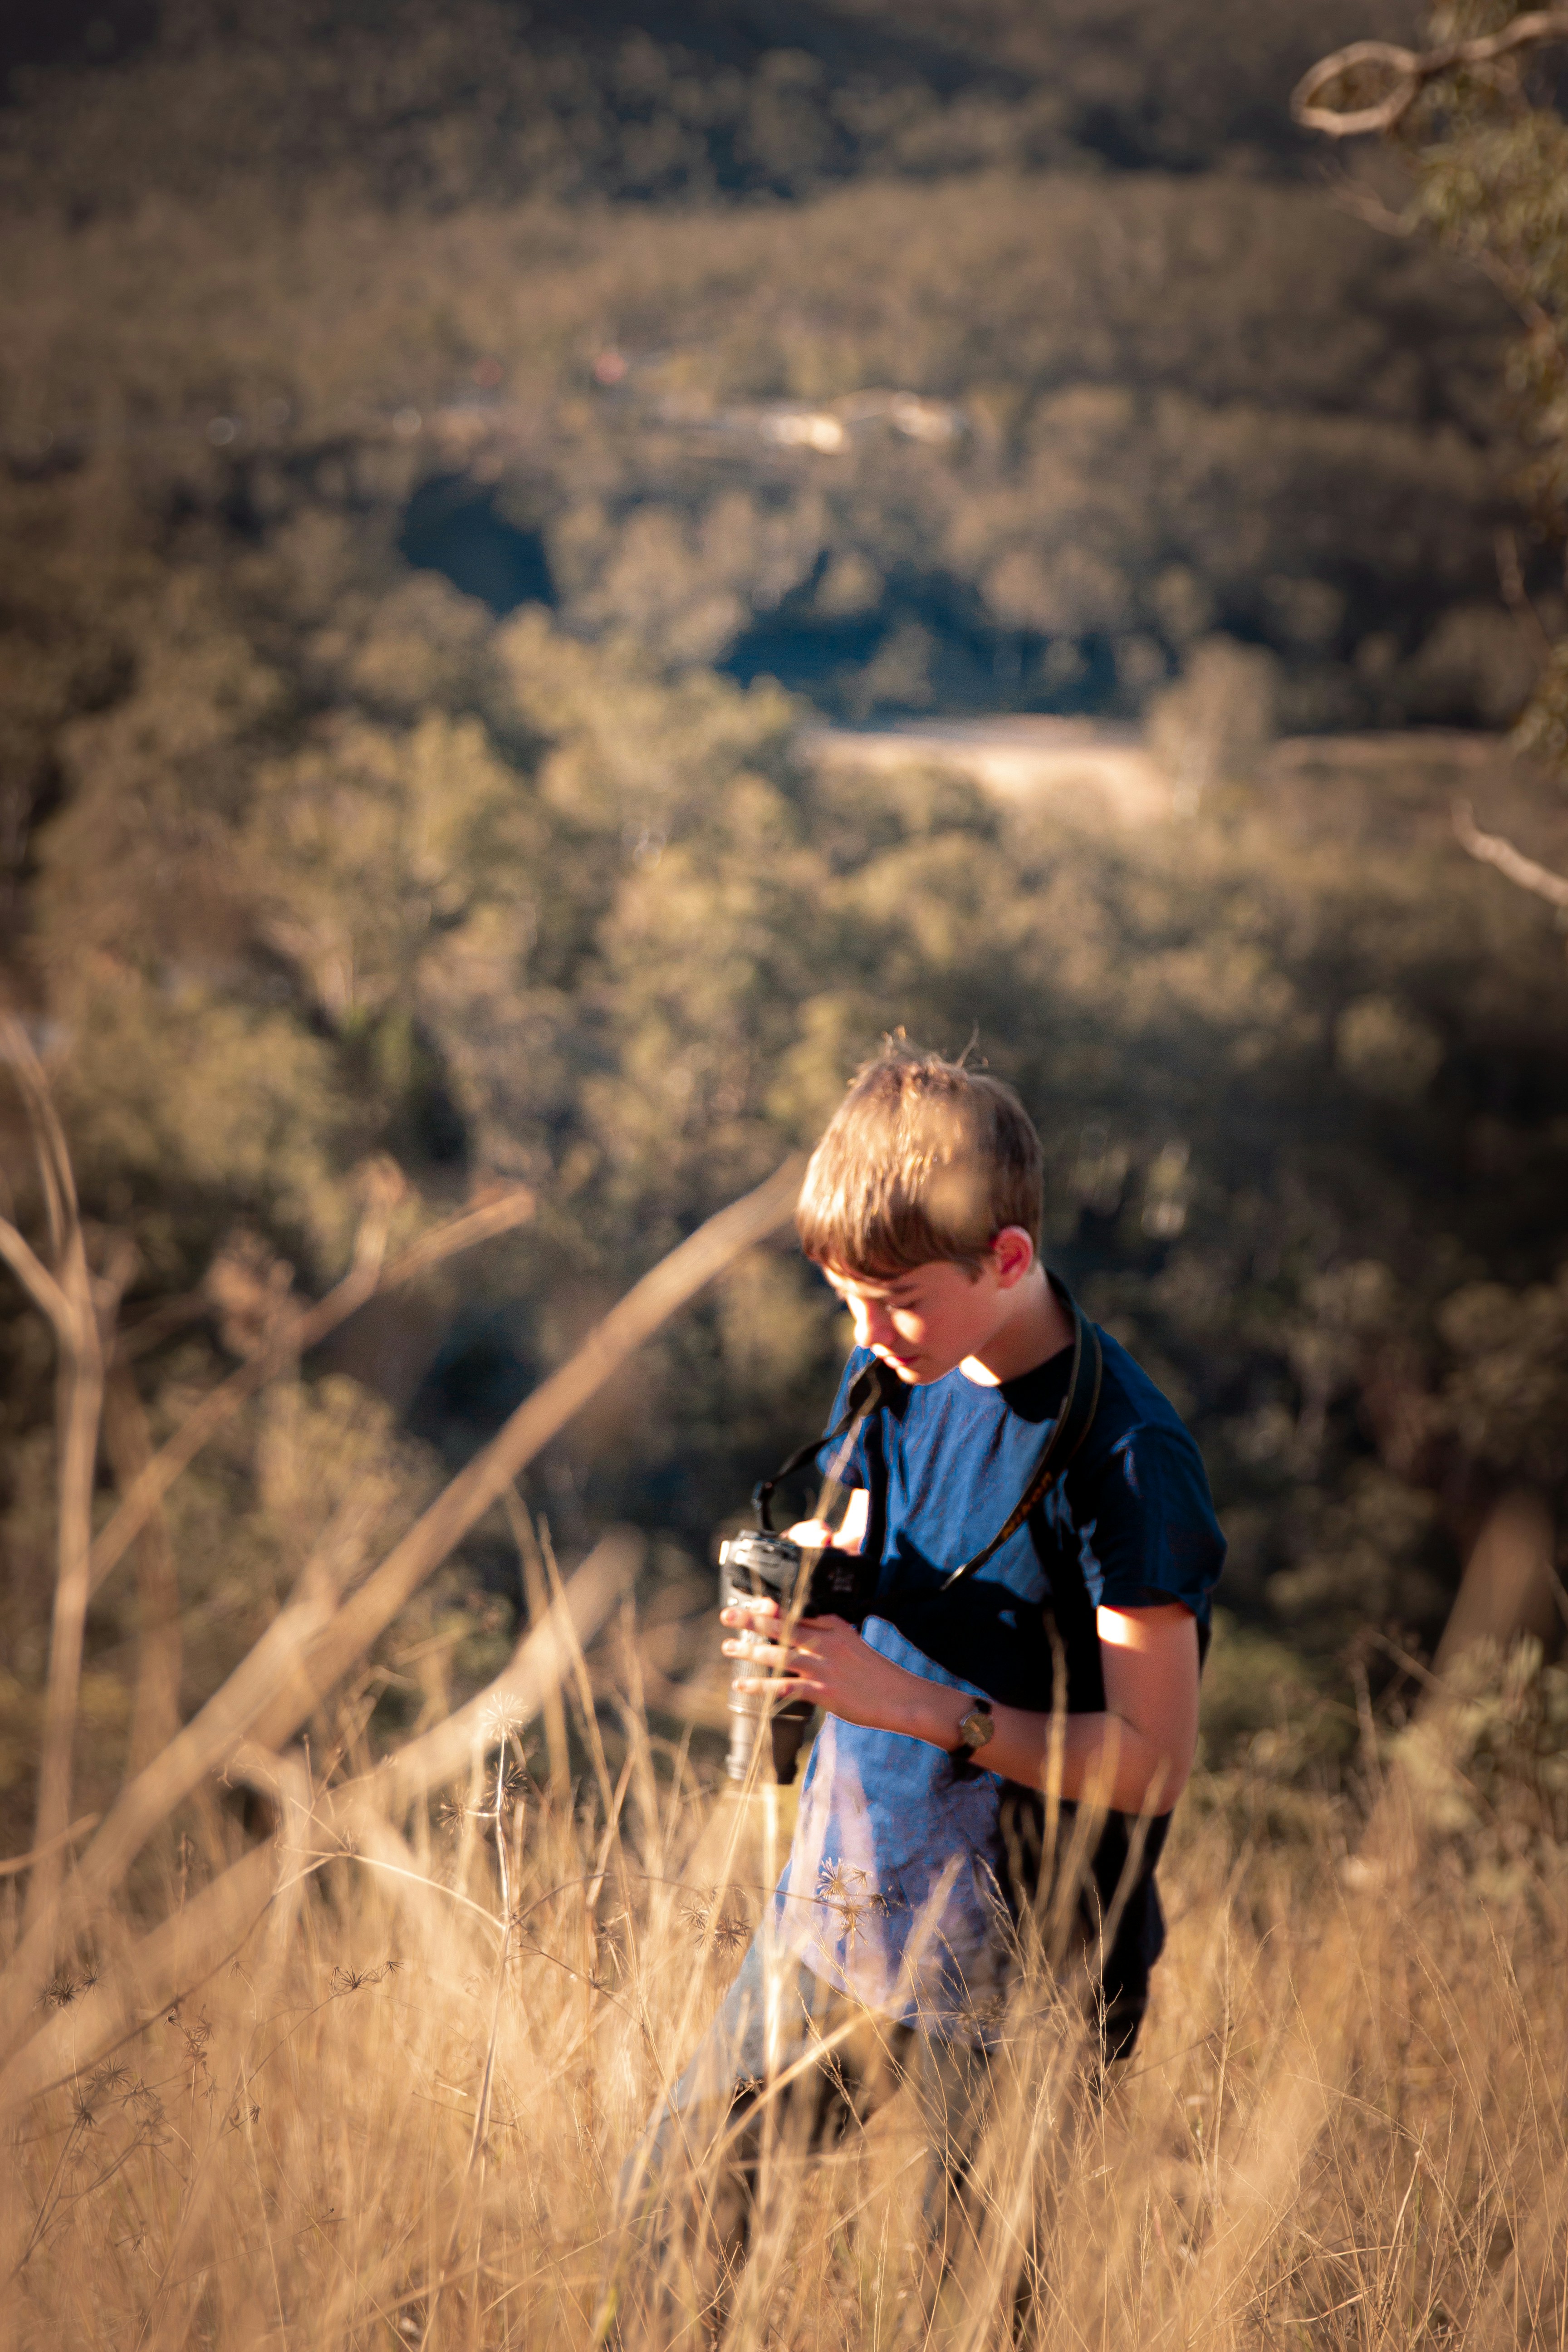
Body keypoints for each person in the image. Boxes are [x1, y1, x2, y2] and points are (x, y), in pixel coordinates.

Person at [631, 1044, 1225, 2291]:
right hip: (838, 1912)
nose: (866, 1331)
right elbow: (874, 1526)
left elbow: (1154, 1765)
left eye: (895, 1296)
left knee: (975, 2311)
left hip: (1028, 1978)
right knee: (671, 2221)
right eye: (845, 1297)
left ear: (1006, 1258)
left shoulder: (1129, 1463)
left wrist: (911, 1706)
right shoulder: (895, 1359)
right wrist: (810, 1570)